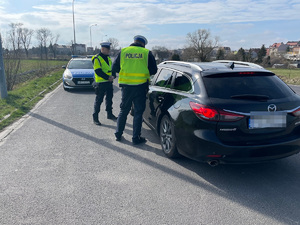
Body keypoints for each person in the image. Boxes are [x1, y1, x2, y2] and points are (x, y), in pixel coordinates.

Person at [112, 35, 157, 145]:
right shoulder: (146, 53)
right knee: (138, 112)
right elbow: (154, 70)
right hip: (140, 86)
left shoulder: (123, 51)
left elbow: (114, 68)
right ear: (143, 44)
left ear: (134, 42)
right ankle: (136, 138)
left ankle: (118, 134)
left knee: (124, 110)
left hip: (126, 87)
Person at [92, 42, 117, 125]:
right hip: (101, 83)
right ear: (102, 49)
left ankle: (109, 114)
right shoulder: (97, 58)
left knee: (109, 100)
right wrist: (108, 77)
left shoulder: (108, 58)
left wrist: (113, 75)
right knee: (99, 101)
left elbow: (112, 69)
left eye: (109, 49)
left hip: (109, 83)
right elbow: (98, 71)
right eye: (107, 49)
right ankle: (95, 118)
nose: (109, 51)